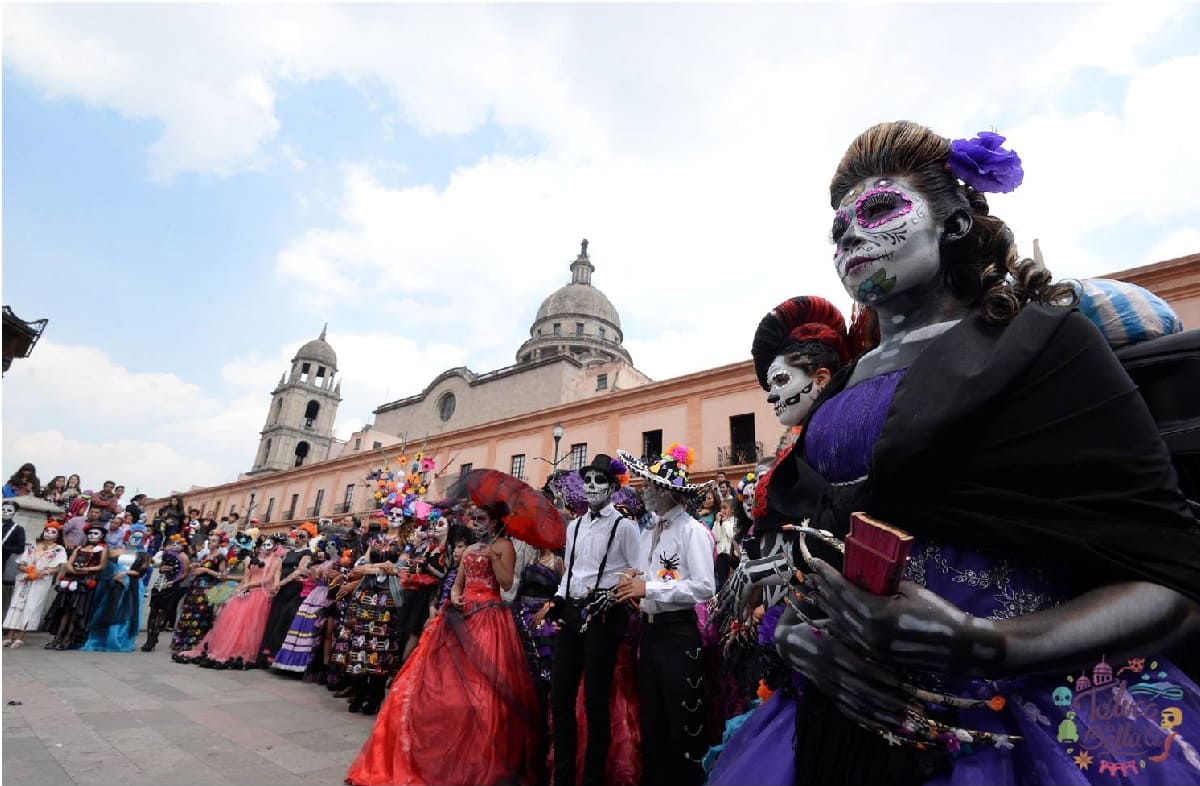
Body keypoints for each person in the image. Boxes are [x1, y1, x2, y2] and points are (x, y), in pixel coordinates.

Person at [716, 121, 1200, 786]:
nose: (849, 236)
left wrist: (985, 642)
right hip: (830, 722)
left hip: (1007, 729)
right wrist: (797, 636)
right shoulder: (843, 388)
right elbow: (806, 551)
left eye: (878, 209)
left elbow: (1174, 576)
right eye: (838, 227)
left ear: (954, 222)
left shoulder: (1043, 346)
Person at [344, 501, 541, 786]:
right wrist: (457, 595)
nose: (477, 524)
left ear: (495, 521)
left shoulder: (504, 546)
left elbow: (507, 583)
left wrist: (494, 558)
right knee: (434, 681)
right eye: (474, 519)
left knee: (481, 690)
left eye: (482, 518)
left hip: (489, 617)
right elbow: (459, 582)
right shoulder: (470, 549)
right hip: (459, 616)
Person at [536, 453, 642, 786]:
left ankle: (592, 779)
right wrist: (557, 599)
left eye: (599, 480)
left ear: (612, 487)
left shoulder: (625, 527)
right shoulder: (576, 526)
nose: (592, 486)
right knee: (560, 697)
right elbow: (571, 572)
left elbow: (637, 570)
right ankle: (564, 777)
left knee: (595, 701)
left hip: (605, 617)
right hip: (573, 612)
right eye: (588, 480)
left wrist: (615, 591)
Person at [614, 446, 717, 786]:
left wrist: (650, 589)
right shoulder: (649, 531)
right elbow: (648, 574)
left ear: (670, 493)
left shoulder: (692, 532)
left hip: (678, 635)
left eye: (651, 486)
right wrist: (633, 578)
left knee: (681, 720)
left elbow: (704, 587)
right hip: (651, 634)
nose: (644, 491)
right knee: (652, 720)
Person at [180, 535, 282, 668]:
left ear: (275, 547)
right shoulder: (253, 559)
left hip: (259, 595)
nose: (265, 547)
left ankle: (242, 651)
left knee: (250, 626)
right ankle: (225, 648)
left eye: (269, 545)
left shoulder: (276, 561)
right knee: (234, 621)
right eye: (264, 544)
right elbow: (246, 577)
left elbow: (268, 579)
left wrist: (249, 586)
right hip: (246, 592)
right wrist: (240, 589)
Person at [82, 523, 150, 651]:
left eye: (139, 537)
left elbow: (141, 572)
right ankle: (103, 638)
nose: (135, 539)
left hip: (133, 585)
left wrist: (125, 573)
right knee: (110, 609)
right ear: (128, 536)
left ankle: (118, 639)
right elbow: (105, 561)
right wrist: (114, 574)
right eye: (134, 536)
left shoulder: (143, 555)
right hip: (115, 583)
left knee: (127, 612)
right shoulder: (119, 550)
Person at [42, 522, 108, 649]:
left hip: (86, 582)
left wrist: (86, 569)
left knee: (76, 611)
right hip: (71, 579)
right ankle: (57, 638)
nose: (92, 535)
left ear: (101, 536)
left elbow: (102, 565)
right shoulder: (79, 548)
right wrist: (72, 570)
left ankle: (68, 639)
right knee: (65, 610)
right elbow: (69, 563)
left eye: (95, 533)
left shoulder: (102, 549)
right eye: (90, 533)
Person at [256, 523, 314, 666]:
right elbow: (279, 568)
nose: (298, 539)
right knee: (273, 618)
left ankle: (274, 655)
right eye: (297, 536)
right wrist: (277, 583)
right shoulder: (289, 552)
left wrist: (281, 583)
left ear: (308, 539)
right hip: (281, 588)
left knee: (282, 620)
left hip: (293, 589)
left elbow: (299, 571)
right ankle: (264, 655)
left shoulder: (307, 553)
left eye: (302, 536)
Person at [3, 521, 67, 648]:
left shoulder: (59, 549)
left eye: (53, 532)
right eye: (47, 531)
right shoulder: (32, 546)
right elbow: (20, 565)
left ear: (57, 535)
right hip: (25, 579)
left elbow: (57, 568)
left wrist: (42, 572)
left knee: (31, 607)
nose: (49, 534)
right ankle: (9, 637)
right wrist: (29, 570)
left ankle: (20, 637)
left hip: (41, 582)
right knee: (16, 606)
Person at [170, 532, 225, 654]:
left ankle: (196, 644)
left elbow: (222, 576)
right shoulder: (205, 555)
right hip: (195, 587)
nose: (210, 543)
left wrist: (205, 570)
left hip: (207, 588)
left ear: (219, 544)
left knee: (201, 615)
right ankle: (183, 643)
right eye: (210, 540)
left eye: (214, 541)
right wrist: (196, 566)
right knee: (188, 613)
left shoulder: (221, 557)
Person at [142, 534, 189, 652]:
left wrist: (173, 581)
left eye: (178, 543)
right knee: (153, 610)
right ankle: (149, 638)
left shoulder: (184, 557)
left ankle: (155, 636)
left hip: (172, 586)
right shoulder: (166, 554)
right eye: (173, 543)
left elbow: (184, 573)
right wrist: (161, 569)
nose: (175, 545)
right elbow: (159, 566)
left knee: (163, 611)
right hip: (160, 583)